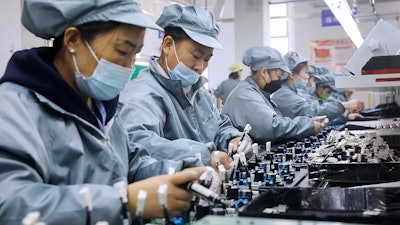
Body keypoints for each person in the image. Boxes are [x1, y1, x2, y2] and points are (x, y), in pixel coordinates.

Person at [0, 1, 207, 224]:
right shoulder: (13, 109)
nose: (129, 67)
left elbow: (127, 164)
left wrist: (178, 172)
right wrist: (124, 202)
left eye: (135, 54)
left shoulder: (101, 106)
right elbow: (11, 204)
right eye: (122, 51)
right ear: (73, 40)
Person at [118, 4, 250, 171]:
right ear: (167, 45)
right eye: (196, 55)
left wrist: (234, 139)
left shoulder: (199, 93)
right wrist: (203, 156)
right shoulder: (142, 96)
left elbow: (221, 125)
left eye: (207, 59)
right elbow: (141, 144)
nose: (200, 66)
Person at [222, 46, 325, 144]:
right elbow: (272, 127)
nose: (280, 82)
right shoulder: (245, 95)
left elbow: (278, 120)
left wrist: (308, 121)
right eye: (278, 76)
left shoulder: (257, 93)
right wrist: (308, 125)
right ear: (264, 72)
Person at [272, 52, 364, 125]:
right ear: (291, 74)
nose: (308, 77)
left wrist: (345, 116)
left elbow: (316, 111)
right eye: (305, 72)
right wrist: (343, 106)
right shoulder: (284, 94)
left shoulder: (295, 92)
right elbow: (313, 112)